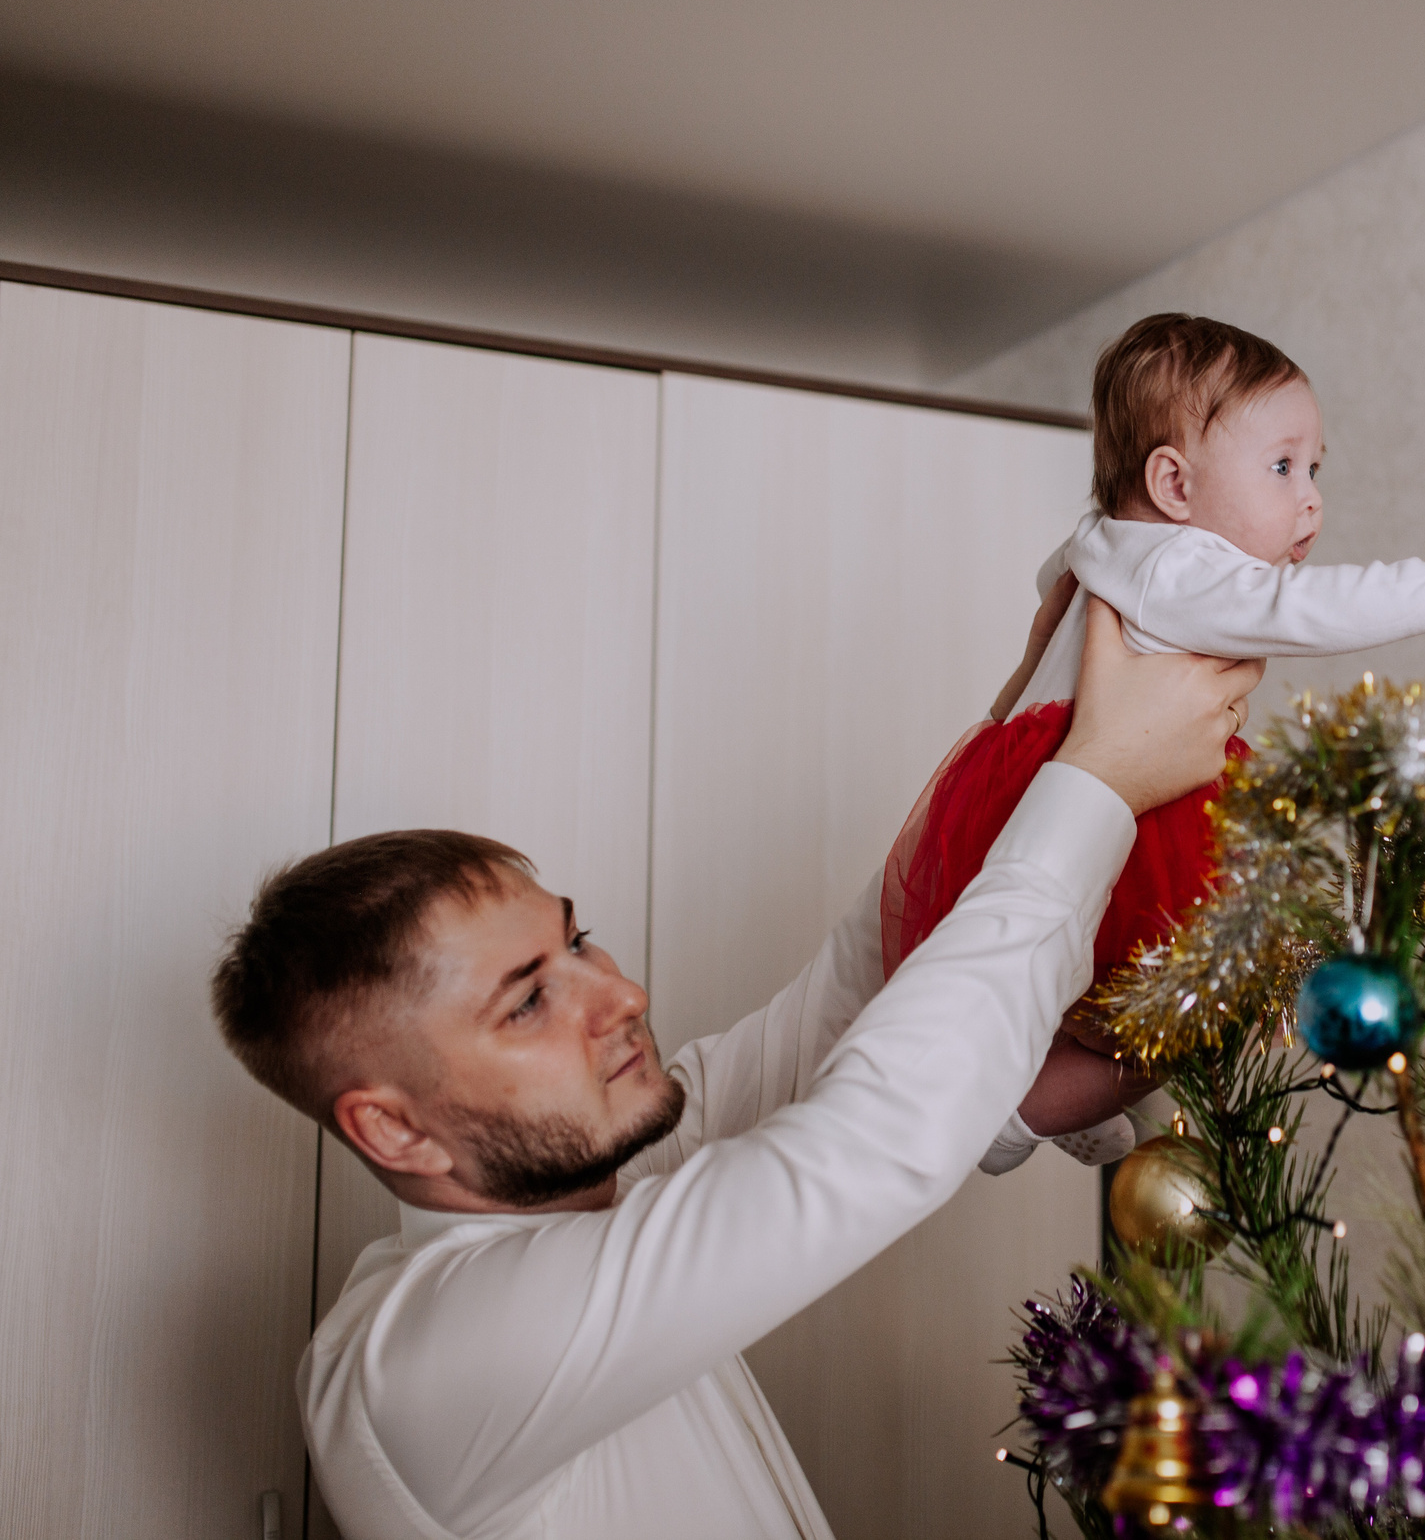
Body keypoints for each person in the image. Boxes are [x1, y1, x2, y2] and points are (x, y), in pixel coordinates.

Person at [208, 602, 1260, 1540]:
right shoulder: (424, 1360)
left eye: (580, 943)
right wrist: (1097, 788)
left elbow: (854, 987)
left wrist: (1031, 735)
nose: (619, 998)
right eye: (528, 1000)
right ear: (395, 1131)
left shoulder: (607, 1180)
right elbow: (868, 1148)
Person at [884, 312, 1425, 1176]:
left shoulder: (1105, 544)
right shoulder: (1181, 566)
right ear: (1174, 485)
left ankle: (1045, 1094)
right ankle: (1020, 1114)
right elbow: (1307, 611)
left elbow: (1056, 579)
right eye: (1281, 467)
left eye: (1313, 470)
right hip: (1131, 804)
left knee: (1069, 986)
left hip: (1026, 789)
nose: (1311, 497)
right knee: (1189, 1010)